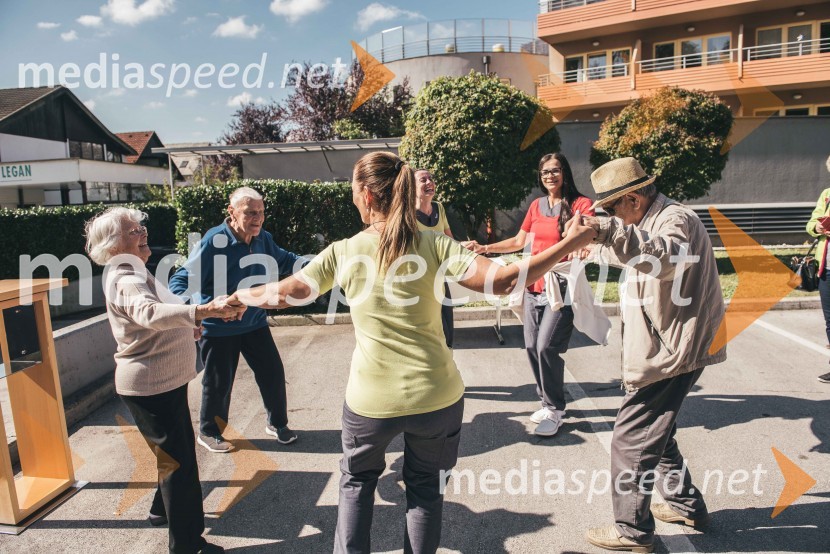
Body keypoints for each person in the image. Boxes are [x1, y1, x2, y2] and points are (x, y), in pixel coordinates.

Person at [229, 152, 597, 554]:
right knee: (424, 492)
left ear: (367, 195)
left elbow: (288, 293)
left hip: (371, 402)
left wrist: (239, 296)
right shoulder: (435, 243)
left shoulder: (345, 250)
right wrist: (571, 242)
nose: (352, 197)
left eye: (353, 189)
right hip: (437, 397)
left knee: (356, 484)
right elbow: (505, 280)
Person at [581, 157, 726, 553]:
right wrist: (592, 248)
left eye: (610, 208)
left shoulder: (674, 219)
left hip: (672, 349)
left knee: (630, 441)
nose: (608, 215)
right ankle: (686, 506)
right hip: (668, 344)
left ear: (631, 199)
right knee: (658, 435)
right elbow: (634, 252)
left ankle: (633, 533)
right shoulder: (647, 220)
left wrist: (608, 230)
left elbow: (665, 257)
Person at [86, 207, 242, 554]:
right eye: (132, 231)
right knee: (180, 464)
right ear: (113, 244)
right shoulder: (126, 276)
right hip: (150, 384)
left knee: (172, 455)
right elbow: (149, 313)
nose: (142, 234)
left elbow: (158, 312)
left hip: (159, 382)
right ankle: (187, 546)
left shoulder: (132, 269)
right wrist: (203, 311)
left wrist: (189, 326)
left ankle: (161, 511)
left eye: (141, 227)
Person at [168, 187, 305, 453]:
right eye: (250, 212)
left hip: (254, 322)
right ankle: (209, 432)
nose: (258, 218)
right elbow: (181, 279)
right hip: (218, 327)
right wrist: (192, 313)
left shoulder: (262, 238)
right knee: (218, 383)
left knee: (273, 373)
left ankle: (277, 424)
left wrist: (320, 265)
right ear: (232, 212)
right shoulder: (213, 241)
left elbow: (287, 260)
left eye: (261, 212)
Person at [467, 153, 595, 437]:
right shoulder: (537, 206)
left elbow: (589, 235)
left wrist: (584, 246)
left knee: (546, 348)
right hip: (532, 288)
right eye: (545, 171)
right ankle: (546, 401)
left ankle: (555, 408)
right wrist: (485, 249)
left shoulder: (580, 204)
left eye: (555, 170)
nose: (550, 176)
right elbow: (518, 241)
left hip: (559, 287)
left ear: (565, 173)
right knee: (529, 347)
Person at [414, 168, 456, 347]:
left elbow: (450, 240)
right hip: (419, 283)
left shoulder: (439, 207)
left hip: (440, 278)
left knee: (447, 333)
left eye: (431, 179)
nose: (429, 182)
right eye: (423, 180)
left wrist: (463, 248)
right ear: (411, 187)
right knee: (428, 335)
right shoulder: (406, 214)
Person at [806, 157, 830, 384]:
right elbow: (811, 223)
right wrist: (818, 227)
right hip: (827, 268)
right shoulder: (827, 195)